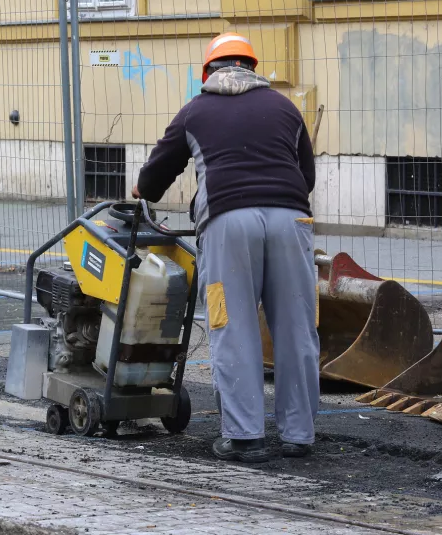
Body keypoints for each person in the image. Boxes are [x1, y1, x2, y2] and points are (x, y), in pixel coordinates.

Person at [132, 32, 320, 462]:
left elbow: (155, 178)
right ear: (253, 68)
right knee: (296, 327)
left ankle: (244, 436)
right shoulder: (285, 108)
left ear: (208, 72)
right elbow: (305, 176)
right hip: (291, 219)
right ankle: (299, 435)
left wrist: (141, 188)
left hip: (228, 223)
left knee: (232, 325)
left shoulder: (195, 111)